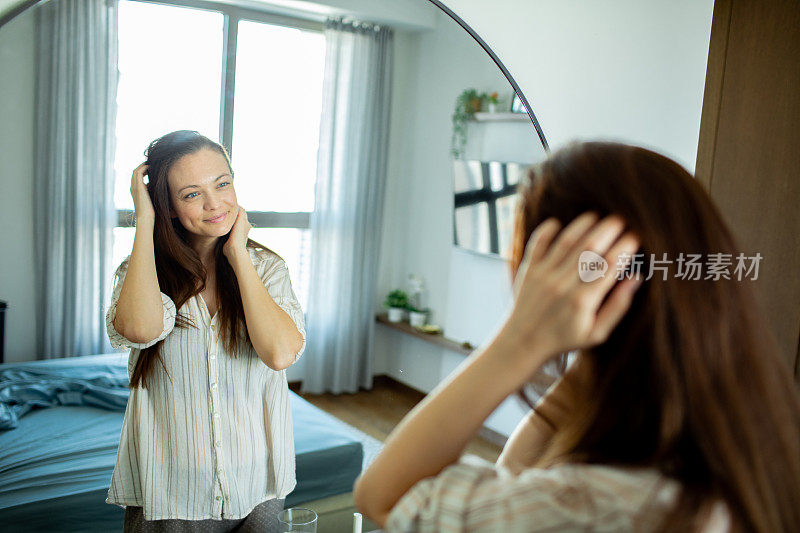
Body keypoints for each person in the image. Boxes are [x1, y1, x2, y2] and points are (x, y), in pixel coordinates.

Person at [353, 142, 800, 532]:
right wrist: (588, 349)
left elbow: (385, 500)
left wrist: (521, 340)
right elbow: (514, 474)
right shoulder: (755, 436)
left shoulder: (597, 504)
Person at [105, 130, 306, 532]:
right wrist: (144, 219)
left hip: (259, 488)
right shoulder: (140, 273)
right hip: (170, 493)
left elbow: (280, 353)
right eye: (191, 194)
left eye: (223, 184)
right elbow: (141, 329)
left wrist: (238, 255)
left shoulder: (267, 268)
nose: (215, 204)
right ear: (169, 207)